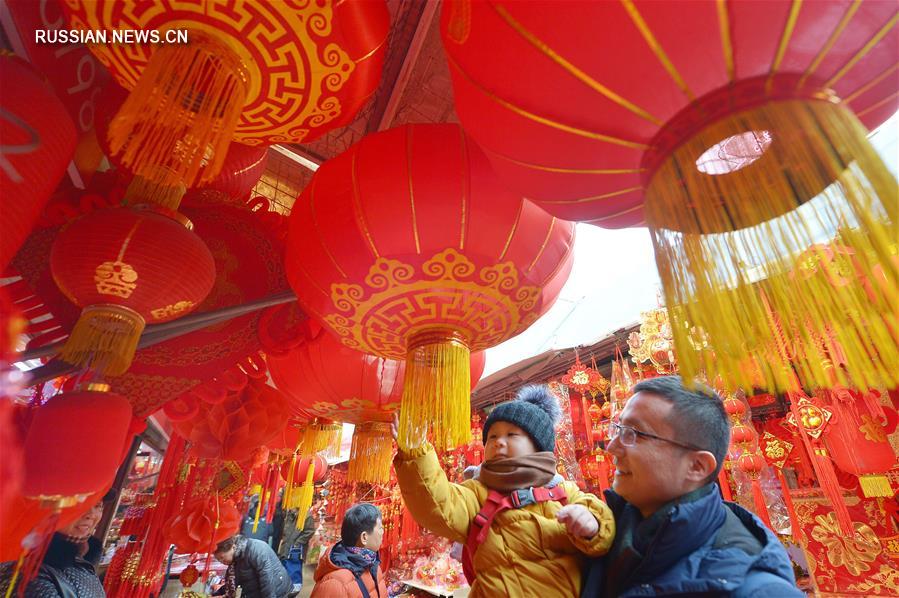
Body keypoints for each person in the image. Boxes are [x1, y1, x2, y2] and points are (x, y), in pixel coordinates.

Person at [581, 376, 803, 597]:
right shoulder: (598, 538)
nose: (611, 447)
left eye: (635, 434)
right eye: (618, 430)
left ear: (697, 466)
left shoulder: (757, 590)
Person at [393, 385, 615, 597]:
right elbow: (437, 505)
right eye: (492, 436)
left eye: (511, 435)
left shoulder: (563, 491)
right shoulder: (477, 493)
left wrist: (591, 525)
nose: (499, 442)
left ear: (538, 445)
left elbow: (601, 523)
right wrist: (416, 453)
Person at [0, 497, 107, 597]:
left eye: (98, 505)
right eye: (83, 503)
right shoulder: (30, 577)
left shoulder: (81, 563)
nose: (92, 514)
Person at [311, 502, 388, 598]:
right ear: (364, 537)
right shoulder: (334, 585)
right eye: (380, 528)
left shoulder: (373, 565)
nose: (383, 532)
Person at [213, 534, 292, 598]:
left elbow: (267, 582)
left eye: (222, 558)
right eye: (218, 559)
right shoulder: (236, 557)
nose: (221, 562)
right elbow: (237, 581)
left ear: (233, 547)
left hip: (278, 591)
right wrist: (217, 593)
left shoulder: (256, 550)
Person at [277, 507, 316, 594]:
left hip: (296, 550)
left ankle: (292, 592)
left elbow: (310, 531)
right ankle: (285, 589)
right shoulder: (289, 513)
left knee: (294, 571)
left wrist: (297, 543)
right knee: (285, 570)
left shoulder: (306, 515)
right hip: (285, 547)